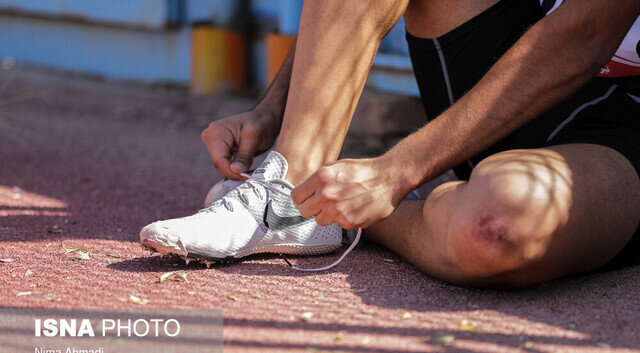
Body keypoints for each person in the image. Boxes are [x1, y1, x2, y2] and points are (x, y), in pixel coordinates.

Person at [141, 0, 640, 287]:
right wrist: (273, 108)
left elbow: (585, 33)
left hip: (622, 133)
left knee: (491, 230)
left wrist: (396, 171)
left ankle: (326, 213)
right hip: (509, 66)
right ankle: (289, 188)